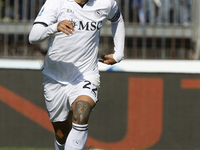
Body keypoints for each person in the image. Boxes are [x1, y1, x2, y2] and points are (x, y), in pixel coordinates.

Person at [29, 0, 125, 149]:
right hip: (55, 78)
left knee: (82, 112)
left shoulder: (105, 3)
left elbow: (117, 18)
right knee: (62, 134)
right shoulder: (55, 3)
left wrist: (118, 53)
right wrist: (55, 27)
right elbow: (33, 37)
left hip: (85, 74)